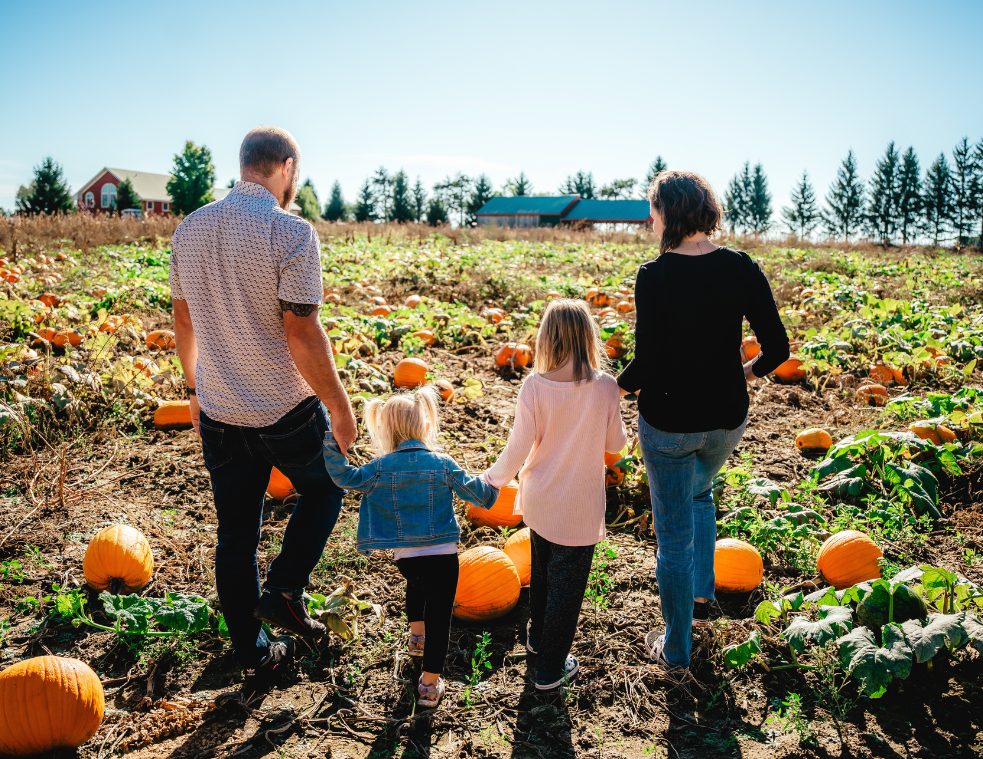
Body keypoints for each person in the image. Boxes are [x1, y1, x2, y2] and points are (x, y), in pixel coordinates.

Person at [170, 126, 358, 701]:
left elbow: (183, 320)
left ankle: (253, 655)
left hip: (220, 411)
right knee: (327, 487)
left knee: (235, 536)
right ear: (286, 167)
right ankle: (283, 591)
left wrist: (195, 391)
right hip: (284, 409)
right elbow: (302, 332)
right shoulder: (291, 232)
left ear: (243, 164)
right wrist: (339, 404)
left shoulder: (189, 228)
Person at [617, 170, 789, 680]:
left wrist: (612, 387)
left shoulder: (654, 276)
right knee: (701, 494)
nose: (650, 221)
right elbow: (778, 348)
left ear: (668, 214)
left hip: (670, 423)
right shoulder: (741, 267)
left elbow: (647, 362)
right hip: (726, 421)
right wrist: (746, 373)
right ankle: (700, 595)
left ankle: (676, 650)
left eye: (653, 211)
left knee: (672, 538)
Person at [322, 387, 498, 708]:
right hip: (443, 557)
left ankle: (417, 639)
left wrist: (331, 444)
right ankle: (429, 686)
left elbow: (345, 477)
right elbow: (478, 495)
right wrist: (495, 484)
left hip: (407, 559)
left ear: (386, 431)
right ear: (426, 426)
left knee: (416, 586)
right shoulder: (442, 464)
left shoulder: (380, 467)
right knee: (440, 616)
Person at [483, 299, 627, 691]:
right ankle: (550, 670)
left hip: (539, 497)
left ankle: (536, 637)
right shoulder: (605, 387)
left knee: (542, 571)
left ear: (546, 338)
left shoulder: (534, 386)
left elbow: (516, 449)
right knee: (566, 588)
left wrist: (490, 481)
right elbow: (615, 446)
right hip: (578, 507)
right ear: (588, 337)